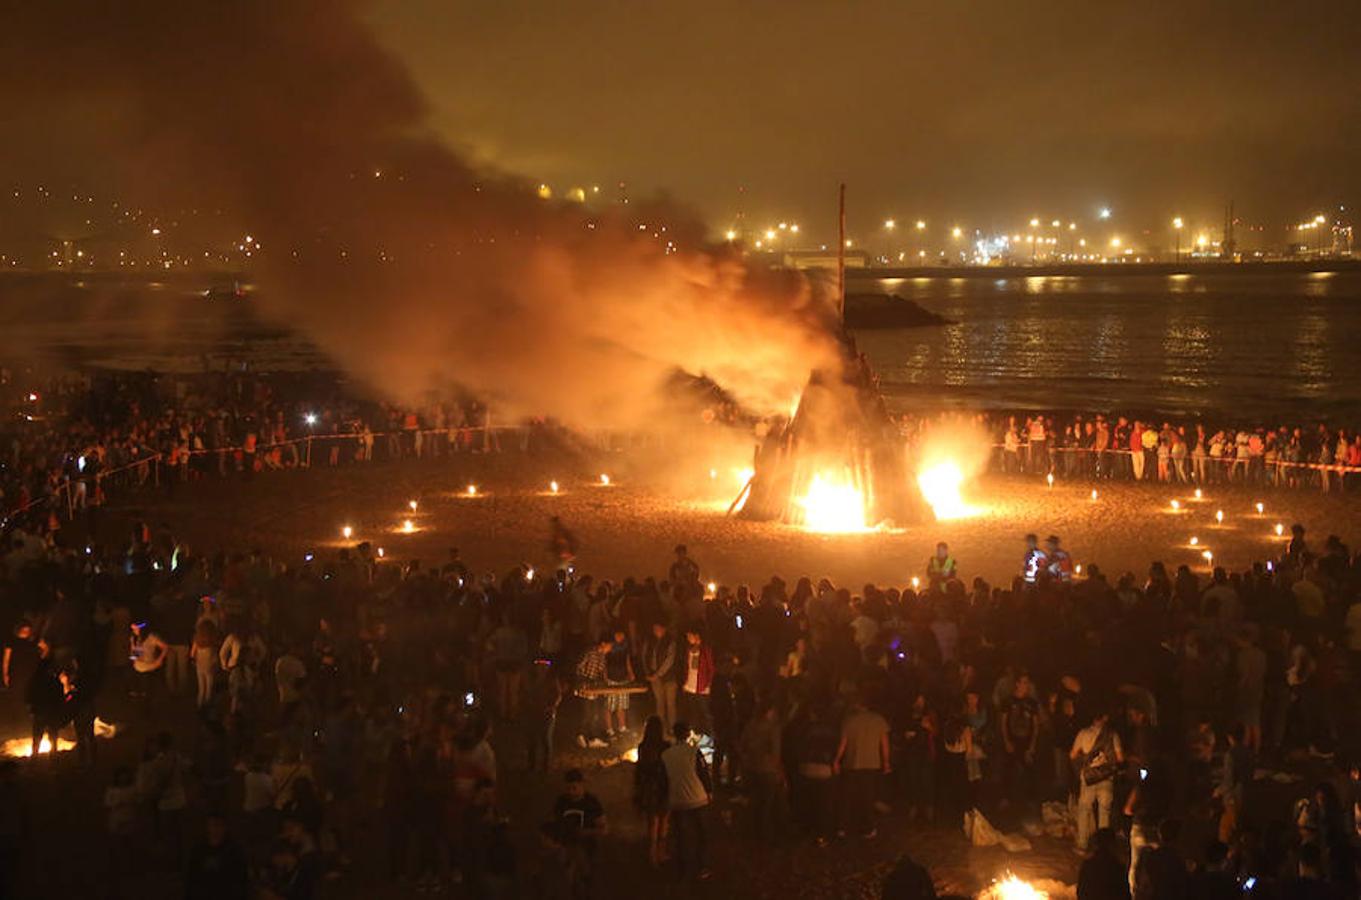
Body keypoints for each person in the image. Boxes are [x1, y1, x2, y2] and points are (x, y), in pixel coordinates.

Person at [835, 693, 891, 840]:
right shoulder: (879, 720)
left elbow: (843, 743)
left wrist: (836, 760)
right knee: (867, 798)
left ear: (857, 705)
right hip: (871, 764)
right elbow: (884, 744)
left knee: (847, 797)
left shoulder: (849, 720)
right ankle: (868, 828)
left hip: (851, 763)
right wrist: (886, 762)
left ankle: (843, 827)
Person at [661, 721, 712, 881]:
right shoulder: (694, 751)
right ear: (688, 734)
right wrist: (709, 791)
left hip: (677, 800)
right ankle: (702, 866)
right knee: (701, 833)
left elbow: (663, 779)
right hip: (698, 798)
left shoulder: (666, 755)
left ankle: (683, 869)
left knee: (681, 836)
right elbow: (703, 772)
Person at [1071, 709, 1124, 852]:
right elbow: (1120, 759)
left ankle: (1082, 845)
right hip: (1106, 777)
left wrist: (1086, 762)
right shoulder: (1112, 734)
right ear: (1105, 718)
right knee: (1104, 812)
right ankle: (1103, 848)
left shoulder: (1083, 733)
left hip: (1088, 777)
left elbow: (1073, 755)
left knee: (1084, 810)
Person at [633, 715, 671, 867]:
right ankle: (661, 853)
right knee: (664, 820)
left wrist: (637, 787)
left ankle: (652, 854)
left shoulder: (643, 746)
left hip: (649, 787)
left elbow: (640, 768)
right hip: (663, 786)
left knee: (652, 822)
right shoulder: (666, 746)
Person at [184, 813, 249, 900]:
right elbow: (191, 878)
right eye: (213, 825)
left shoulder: (234, 851)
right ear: (207, 827)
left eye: (219, 825)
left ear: (225, 827)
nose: (216, 829)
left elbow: (241, 880)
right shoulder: (198, 850)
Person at [553, 769, 607, 859]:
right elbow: (555, 823)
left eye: (574, 788)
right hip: (565, 847)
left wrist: (586, 832)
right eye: (568, 788)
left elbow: (604, 830)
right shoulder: (561, 801)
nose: (570, 792)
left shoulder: (592, 802)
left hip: (587, 849)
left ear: (582, 785)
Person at [643, 622, 678, 735]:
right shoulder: (651, 642)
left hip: (669, 678)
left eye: (658, 628)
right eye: (654, 629)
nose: (656, 631)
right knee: (660, 704)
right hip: (655, 677)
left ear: (664, 629)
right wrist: (649, 672)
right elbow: (645, 657)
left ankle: (673, 729)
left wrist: (658, 674)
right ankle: (661, 730)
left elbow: (669, 661)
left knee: (670, 704)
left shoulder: (670, 642)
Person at [1078, 828, 1131, 900]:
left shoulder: (1088, 865)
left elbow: (1081, 892)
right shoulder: (1117, 867)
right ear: (1112, 844)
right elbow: (1124, 894)